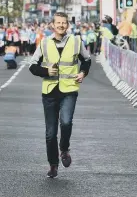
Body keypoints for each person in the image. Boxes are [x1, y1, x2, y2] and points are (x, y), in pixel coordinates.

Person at [29, 12, 91, 178]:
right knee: (50, 133)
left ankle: (64, 149)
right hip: (49, 92)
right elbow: (32, 66)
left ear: (68, 25)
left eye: (64, 23)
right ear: (52, 25)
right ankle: (53, 165)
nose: (61, 25)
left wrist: (83, 72)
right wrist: (46, 71)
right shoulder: (44, 43)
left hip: (69, 89)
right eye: (58, 23)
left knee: (66, 122)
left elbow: (87, 60)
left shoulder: (76, 42)